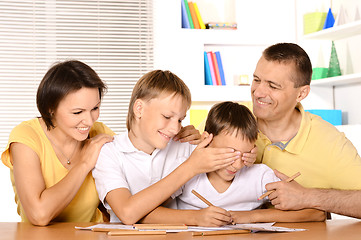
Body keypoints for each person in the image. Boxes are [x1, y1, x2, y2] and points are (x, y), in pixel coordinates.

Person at [92, 70, 250, 224]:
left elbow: (226, 159)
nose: (175, 128)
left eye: (180, 120)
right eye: (167, 117)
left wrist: (246, 153)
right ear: (139, 108)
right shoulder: (109, 152)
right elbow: (127, 213)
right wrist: (190, 168)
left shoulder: (184, 146)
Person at [251, 42, 361, 219]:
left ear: (301, 94)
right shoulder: (231, 116)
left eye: (273, 86)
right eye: (256, 80)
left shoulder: (328, 141)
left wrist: (306, 197)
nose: (258, 92)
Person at [174, 101, 325, 226]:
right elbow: (151, 212)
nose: (237, 165)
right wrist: (195, 217)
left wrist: (252, 216)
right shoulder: (186, 170)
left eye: (245, 154)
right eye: (230, 153)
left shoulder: (259, 176)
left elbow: (317, 213)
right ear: (207, 140)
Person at [1, 60, 115, 226]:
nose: (89, 121)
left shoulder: (100, 133)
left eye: (95, 108)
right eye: (77, 112)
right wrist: (84, 163)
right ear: (50, 109)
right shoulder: (26, 136)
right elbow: (39, 214)